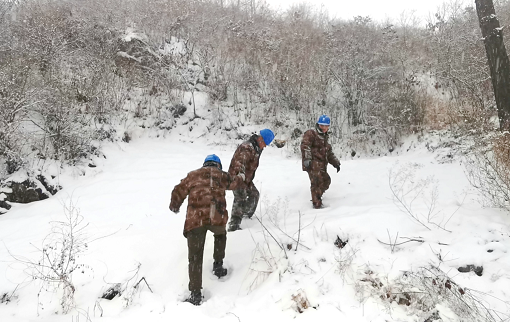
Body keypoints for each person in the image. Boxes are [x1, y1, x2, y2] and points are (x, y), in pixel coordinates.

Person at [169, 154, 245, 306]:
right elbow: (235, 183)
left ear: (205, 164)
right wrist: (241, 176)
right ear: (218, 165)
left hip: (195, 219)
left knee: (195, 257)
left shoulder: (193, 175)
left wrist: (174, 205)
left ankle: (196, 294)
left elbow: (178, 190)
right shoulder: (222, 175)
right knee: (220, 234)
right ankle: (218, 265)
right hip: (216, 217)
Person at [227, 129, 275, 232]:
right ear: (260, 139)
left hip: (246, 180)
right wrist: (240, 180)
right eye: (265, 143)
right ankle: (233, 226)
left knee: (254, 194)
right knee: (241, 197)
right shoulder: (247, 148)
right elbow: (239, 164)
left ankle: (246, 217)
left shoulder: (256, 149)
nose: (265, 146)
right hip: (237, 178)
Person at [301, 115, 341, 209]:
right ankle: (317, 204)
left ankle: (317, 196)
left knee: (326, 181)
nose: (324, 128)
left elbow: (329, 153)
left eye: (326, 126)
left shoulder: (325, 138)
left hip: (322, 165)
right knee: (316, 182)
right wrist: (307, 159)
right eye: (322, 125)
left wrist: (335, 163)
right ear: (318, 125)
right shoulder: (311, 133)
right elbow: (305, 145)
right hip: (312, 164)